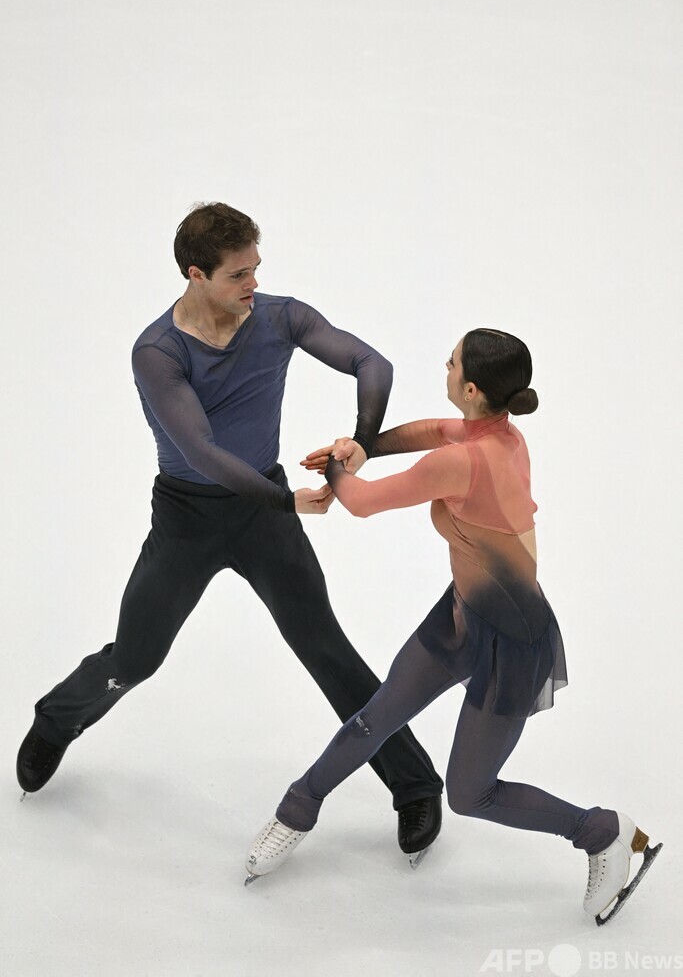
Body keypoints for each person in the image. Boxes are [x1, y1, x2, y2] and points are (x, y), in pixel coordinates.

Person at [16, 202, 444, 858]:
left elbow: (370, 362)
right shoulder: (158, 353)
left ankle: (414, 784)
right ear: (196, 274)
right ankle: (56, 721)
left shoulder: (281, 317)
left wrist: (361, 441)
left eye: (256, 267)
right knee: (135, 658)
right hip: (188, 518)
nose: (254, 283)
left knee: (324, 646)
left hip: (261, 514)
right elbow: (202, 454)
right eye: (238, 274)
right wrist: (287, 504)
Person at [245, 328, 661, 924]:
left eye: (452, 362)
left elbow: (363, 503)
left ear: (470, 388)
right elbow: (434, 429)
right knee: (376, 717)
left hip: (511, 644)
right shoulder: (500, 435)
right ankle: (295, 810)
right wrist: (365, 447)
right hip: (462, 615)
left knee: (470, 793)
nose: (444, 366)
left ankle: (604, 833)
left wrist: (337, 468)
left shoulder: (464, 463)